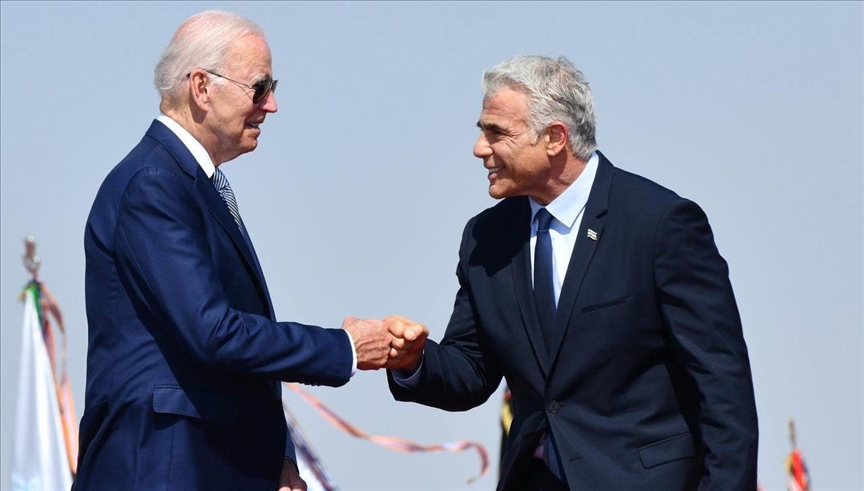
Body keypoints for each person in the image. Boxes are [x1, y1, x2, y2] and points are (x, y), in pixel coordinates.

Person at [387, 55, 759, 491]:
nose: (480, 148)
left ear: (554, 137)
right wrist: (412, 360)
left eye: (497, 133)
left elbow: (722, 387)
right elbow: (471, 371)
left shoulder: (659, 224)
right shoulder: (485, 237)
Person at [76, 10, 394, 491]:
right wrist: (344, 348)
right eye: (259, 88)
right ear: (201, 87)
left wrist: (277, 458)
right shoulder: (154, 184)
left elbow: (235, 351)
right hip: (164, 466)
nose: (272, 105)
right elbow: (214, 332)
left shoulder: (191, 184)